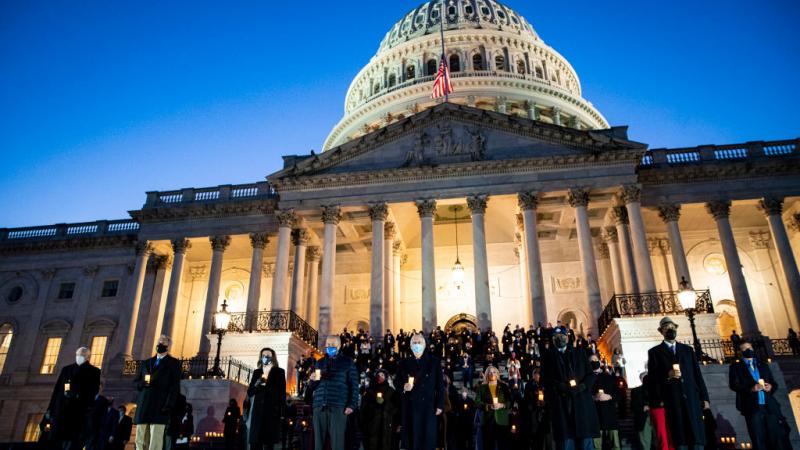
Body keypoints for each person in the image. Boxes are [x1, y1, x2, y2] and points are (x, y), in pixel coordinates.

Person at [646, 317, 710, 450]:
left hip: (692, 398)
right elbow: (652, 378)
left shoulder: (687, 350)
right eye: (667, 328)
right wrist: (667, 376)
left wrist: (705, 398)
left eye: (673, 327)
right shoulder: (654, 352)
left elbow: (697, 375)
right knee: (680, 438)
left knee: (697, 437)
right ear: (661, 331)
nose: (671, 330)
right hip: (672, 400)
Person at [541, 326, 599, 450]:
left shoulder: (579, 352)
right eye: (556, 337)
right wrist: (559, 386)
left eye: (562, 336)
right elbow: (545, 379)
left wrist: (582, 386)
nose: (559, 339)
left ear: (567, 338)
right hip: (562, 404)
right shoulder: (548, 356)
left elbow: (590, 375)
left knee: (586, 442)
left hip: (581, 402)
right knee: (566, 443)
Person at [728, 341, 787, 450]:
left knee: (775, 437)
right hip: (753, 407)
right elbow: (734, 385)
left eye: (749, 348)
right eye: (745, 349)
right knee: (758, 438)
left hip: (769, 406)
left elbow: (773, 383)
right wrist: (751, 389)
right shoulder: (736, 367)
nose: (748, 350)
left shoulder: (763, 365)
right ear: (741, 352)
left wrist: (771, 387)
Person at [46, 346, 102, 450]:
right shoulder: (66, 369)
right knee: (57, 440)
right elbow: (57, 390)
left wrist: (77, 395)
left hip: (78, 411)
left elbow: (93, 391)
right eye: (78, 354)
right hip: (61, 409)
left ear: (88, 357)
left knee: (73, 442)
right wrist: (50, 408)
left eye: (82, 355)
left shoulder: (94, 371)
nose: (80, 357)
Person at [310, 336, 359, 450]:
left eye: (333, 344)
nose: (330, 346)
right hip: (319, 405)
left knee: (337, 442)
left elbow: (354, 385)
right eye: (328, 344)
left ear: (339, 346)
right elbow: (313, 386)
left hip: (338, 406)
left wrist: (352, 405)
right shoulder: (320, 362)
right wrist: (312, 380)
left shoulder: (348, 362)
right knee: (318, 443)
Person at [133, 335, 181, 450]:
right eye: (159, 342)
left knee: (156, 437)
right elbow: (136, 382)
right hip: (144, 403)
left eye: (163, 343)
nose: (159, 345)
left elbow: (174, 387)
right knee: (140, 437)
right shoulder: (147, 362)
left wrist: (168, 405)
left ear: (168, 346)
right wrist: (142, 384)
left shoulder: (173, 363)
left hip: (160, 404)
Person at [397, 333, 445, 450]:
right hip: (411, 405)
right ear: (410, 345)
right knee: (413, 438)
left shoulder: (434, 362)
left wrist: (439, 405)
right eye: (414, 342)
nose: (417, 345)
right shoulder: (403, 363)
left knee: (428, 438)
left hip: (429, 406)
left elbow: (440, 385)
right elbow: (397, 382)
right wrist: (404, 386)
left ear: (424, 345)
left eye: (419, 342)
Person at [247, 347, 286, 450]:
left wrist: (282, 412)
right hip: (258, 412)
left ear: (273, 358)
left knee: (269, 443)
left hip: (271, 411)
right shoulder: (257, 372)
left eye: (268, 356)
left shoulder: (279, 372)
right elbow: (250, 392)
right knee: (255, 442)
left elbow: (282, 393)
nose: (266, 358)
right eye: (263, 356)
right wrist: (257, 383)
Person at [360, 369, 399, 450]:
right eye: (378, 375)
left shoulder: (391, 391)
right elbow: (364, 408)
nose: (380, 377)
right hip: (372, 424)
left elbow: (396, 408)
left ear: (386, 377)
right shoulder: (370, 391)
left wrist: (386, 406)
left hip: (386, 424)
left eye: (382, 375)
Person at [475, 365, 511, 450]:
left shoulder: (503, 386)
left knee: (502, 445)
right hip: (487, 420)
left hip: (501, 420)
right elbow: (477, 403)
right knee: (488, 445)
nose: (492, 374)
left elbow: (510, 402)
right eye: (490, 372)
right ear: (487, 374)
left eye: (494, 372)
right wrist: (488, 406)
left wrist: (502, 405)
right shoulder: (482, 388)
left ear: (497, 374)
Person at [590, 354, 621, 450]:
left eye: (595, 359)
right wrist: (593, 398)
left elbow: (618, 394)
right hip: (595, 417)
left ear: (599, 362)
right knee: (596, 446)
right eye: (591, 360)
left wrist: (609, 396)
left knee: (615, 445)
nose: (594, 362)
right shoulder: (587, 378)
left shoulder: (608, 377)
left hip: (609, 414)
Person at [522, 368, 552, 450]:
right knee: (534, 433)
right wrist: (534, 404)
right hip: (533, 413)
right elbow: (526, 399)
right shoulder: (529, 385)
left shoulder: (545, 384)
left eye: (538, 374)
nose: (537, 376)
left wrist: (545, 403)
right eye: (535, 374)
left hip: (544, 413)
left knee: (544, 435)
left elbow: (550, 397)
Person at [629, 372, 654, 450]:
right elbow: (633, 406)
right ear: (641, 379)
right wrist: (643, 407)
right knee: (645, 444)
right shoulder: (636, 391)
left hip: (656, 416)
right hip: (644, 419)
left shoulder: (656, 389)